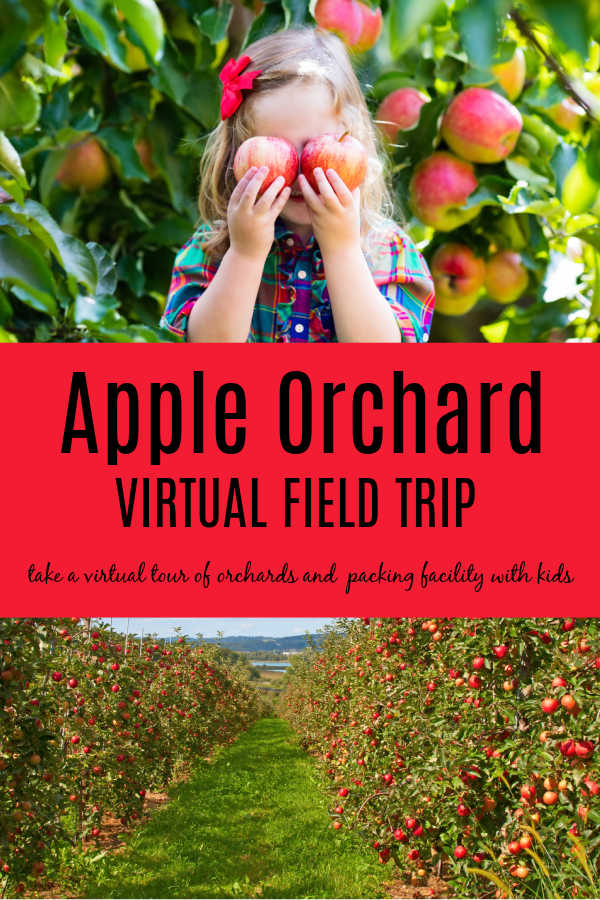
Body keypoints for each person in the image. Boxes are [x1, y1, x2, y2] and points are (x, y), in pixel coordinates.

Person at [161, 27, 434, 343]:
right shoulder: (216, 247)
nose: (300, 174)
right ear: (238, 155)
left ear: (352, 141)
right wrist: (245, 255)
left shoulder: (387, 250)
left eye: (316, 146)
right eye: (277, 149)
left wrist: (342, 250)